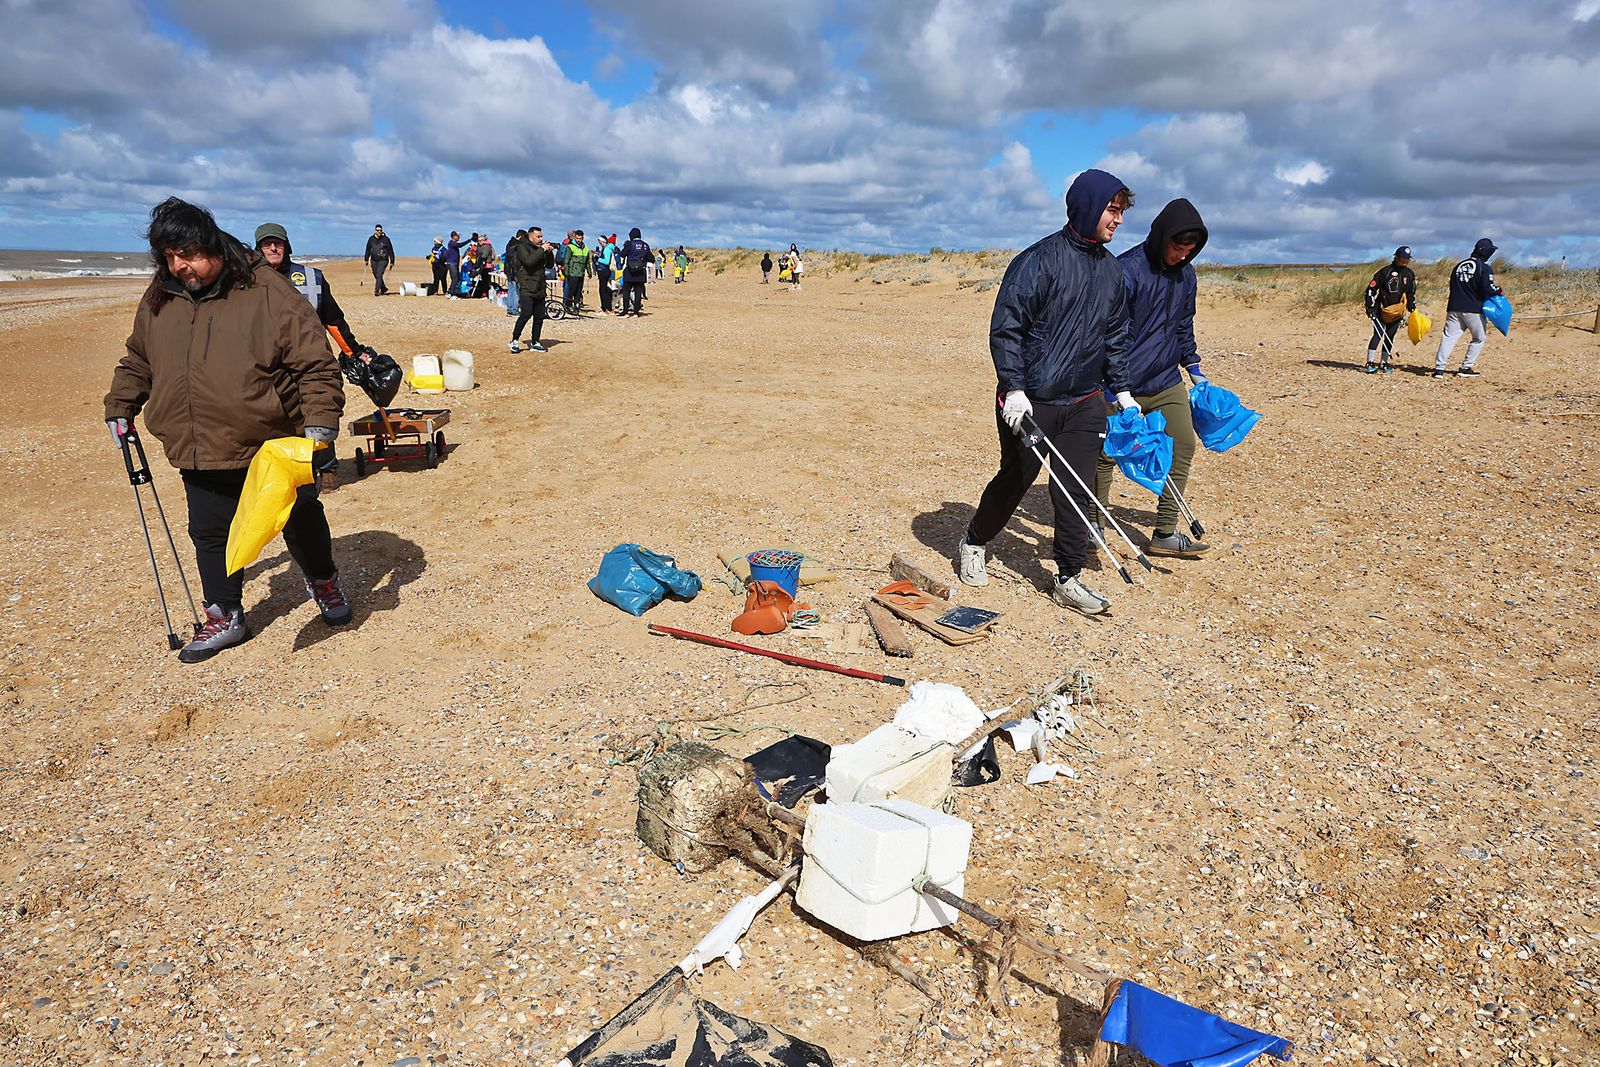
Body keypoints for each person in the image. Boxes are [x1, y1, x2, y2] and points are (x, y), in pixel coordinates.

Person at [105, 197, 351, 663]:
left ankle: (323, 580)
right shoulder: (162, 293)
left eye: (190, 254)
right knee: (211, 531)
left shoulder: (267, 290)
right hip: (198, 442)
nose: (182, 266)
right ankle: (225, 613)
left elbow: (315, 364)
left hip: (271, 442)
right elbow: (139, 357)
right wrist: (121, 404)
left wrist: (320, 425)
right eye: (170, 257)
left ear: (214, 244)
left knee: (298, 520)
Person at [954, 169, 1136, 616]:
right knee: (1017, 478)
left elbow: (1115, 335)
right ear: (1089, 207)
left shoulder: (1112, 271)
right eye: (1112, 211)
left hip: (1083, 401)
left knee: (1076, 484)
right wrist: (1013, 388)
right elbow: (1007, 329)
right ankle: (975, 540)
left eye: (1121, 213)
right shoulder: (1037, 261)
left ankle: (1068, 576)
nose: (1118, 221)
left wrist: (1123, 390)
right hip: (1030, 401)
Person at [1095, 198, 1210, 558]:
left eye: (1190, 251)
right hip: (1118, 382)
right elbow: (1105, 333)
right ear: (1161, 237)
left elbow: (1182, 325)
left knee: (1182, 445)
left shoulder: (1186, 274)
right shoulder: (1125, 270)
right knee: (1106, 453)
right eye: (1178, 248)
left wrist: (1194, 371)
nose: (1182, 256)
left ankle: (1164, 532)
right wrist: (1113, 386)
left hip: (1164, 379)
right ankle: (1093, 527)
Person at [255, 221, 366, 492]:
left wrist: (353, 351)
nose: (273, 247)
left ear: (286, 246)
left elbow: (333, 319)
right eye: (267, 244)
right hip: (268, 363)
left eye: (277, 243)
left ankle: (327, 469)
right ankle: (290, 471)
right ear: (258, 249)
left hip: (311, 361)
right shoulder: (247, 282)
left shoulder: (311, 278)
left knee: (319, 411)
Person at [1433, 237, 1503, 378]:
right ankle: (1465, 368)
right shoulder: (1484, 268)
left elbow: (1452, 285)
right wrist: (1499, 291)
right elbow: (1487, 288)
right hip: (1473, 310)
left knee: (1448, 337)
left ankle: (1439, 369)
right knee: (1479, 338)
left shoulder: (1459, 265)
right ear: (1486, 252)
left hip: (1454, 307)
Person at [1363, 246, 1416, 373]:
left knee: (1390, 335)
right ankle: (1369, 362)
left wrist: (1411, 306)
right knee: (1378, 334)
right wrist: (1370, 307)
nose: (1404, 261)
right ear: (1396, 257)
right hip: (1380, 309)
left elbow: (1410, 293)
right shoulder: (1384, 272)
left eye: (1407, 259)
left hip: (1397, 311)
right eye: (1402, 258)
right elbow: (1371, 290)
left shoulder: (1409, 274)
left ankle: (1384, 363)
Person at [509, 226, 554, 353]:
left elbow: (550, 265)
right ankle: (514, 340)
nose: (541, 239)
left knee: (539, 316)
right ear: (530, 237)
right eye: (538, 237)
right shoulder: (522, 247)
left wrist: (549, 253)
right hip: (527, 286)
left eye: (541, 236)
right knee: (526, 314)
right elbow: (529, 262)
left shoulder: (539, 249)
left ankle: (535, 342)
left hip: (540, 286)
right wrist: (542, 250)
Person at [619, 227, 654, 316]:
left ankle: (625, 312)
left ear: (631, 236)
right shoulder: (645, 245)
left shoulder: (630, 244)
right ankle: (636, 312)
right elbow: (652, 259)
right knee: (638, 292)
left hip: (629, 271)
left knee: (626, 292)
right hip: (640, 272)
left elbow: (622, 254)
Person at [563, 230, 594, 314]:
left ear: (583, 238)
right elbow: (566, 260)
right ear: (575, 237)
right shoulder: (570, 247)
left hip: (581, 273)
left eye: (580, 238)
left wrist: (589, 272)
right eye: (577, 238)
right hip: (572, 273)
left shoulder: (586, 248)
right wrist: (566, 272)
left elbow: (587, 262)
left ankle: (577, 306)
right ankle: (568, 306)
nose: (578, 240)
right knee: (571, 290)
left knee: (578, 291)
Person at [364, 223, 395, 296]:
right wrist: (366, 259)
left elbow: (391, 250)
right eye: (377, 230)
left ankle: (377, 290)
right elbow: (367, 249)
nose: (379, 232)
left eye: (380, 230)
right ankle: (383, 287)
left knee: (379, 274)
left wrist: (392, 261)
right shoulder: (371, 239)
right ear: (375, 231)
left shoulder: (386, 239)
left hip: (383, 260)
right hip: (374, 260)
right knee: (376, 275)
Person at [503, 229, 528, 317]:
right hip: (514, 271)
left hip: (509, 271)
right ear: (521, 236)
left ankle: (510, 309)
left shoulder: (510, 244)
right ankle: (514, 310)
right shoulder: (517, 245)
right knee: (515, 291)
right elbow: (515, 261)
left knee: (511, 290)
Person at [595, 234, 617, 313]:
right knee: (606, 289)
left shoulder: (607, 249)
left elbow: (606, 261)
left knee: (603, 290)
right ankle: (608, 307)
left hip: (604, 271)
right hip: (605, 271)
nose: (599, 243)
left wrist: (598, 259)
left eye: (600, 242)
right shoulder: (607, 248)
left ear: (603, 241)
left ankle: (605, 308)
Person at [441, 231, 463, 296]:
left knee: (457, 278)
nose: (459, 237)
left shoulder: (453, 243)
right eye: (458, 236)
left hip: (454, 263)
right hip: (452, 263)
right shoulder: (452, 243)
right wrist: (469, 240)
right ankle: (452, 294)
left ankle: (450, 291)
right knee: (455, 279)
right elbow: (460, 245)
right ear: (454, 236)